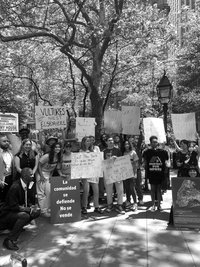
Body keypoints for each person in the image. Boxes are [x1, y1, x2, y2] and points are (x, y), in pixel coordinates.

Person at [0, 168, 40, 251]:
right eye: (31, 174)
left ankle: (16, 227)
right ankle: (9, 240)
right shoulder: (15, 187)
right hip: (7, 214)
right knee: (24, 216)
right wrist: (28, 209)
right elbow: (13, 206)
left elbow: (29, 199)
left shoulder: (29, 183)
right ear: (25, 176)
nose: (33, 176)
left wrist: (33, 206)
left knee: (37, 212)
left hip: (17, 211)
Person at [143, 136, 169, 211]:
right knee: (152, 189)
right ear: (150, 143)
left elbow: (167, 159)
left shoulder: (162, 151)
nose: (155, 143)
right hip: (151, 174)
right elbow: (144, 160)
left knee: (159, 189)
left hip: (160, 174)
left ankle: (159, 205)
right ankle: (153, 205)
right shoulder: (147, 152)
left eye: (156, 142)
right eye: (153, 142)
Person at [37, 142, 62, 217]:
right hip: (40, 173)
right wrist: (41, 176)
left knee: (49, 192)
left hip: (48, 174)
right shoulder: (47, 156)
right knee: (41, 193)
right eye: (56, 147)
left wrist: (50, 176)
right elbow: (39, 165)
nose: (57, 148)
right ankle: (43, 211)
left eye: (59, 147)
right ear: (53, 148)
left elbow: (53, 168)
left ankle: (48, 208)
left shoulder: (58, 156)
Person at [80, 136, 103, 214]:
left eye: (90, 141)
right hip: (86, 174)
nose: (89, 142)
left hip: (94, 173)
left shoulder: (94, 150)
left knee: (96, 191)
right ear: (83, 142)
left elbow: (99, 159)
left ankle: (96, 207)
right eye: (87, 141)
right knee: (86, 191)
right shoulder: (81, 151)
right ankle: (84, 207)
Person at [103, 135, 125, 214]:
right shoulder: (104, 151)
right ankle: (110, 205)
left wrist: (117, 158)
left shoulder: (118, 150)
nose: (111, 141)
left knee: (120, 189)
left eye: (112, 140)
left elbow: (122, 161)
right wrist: (107, 160)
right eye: (109, 140)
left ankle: (119, 205)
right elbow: (102, 162)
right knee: (109, 190)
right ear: (106, 142)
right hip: (108, 173)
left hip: (117, 172)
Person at [122, 141, 138, 210]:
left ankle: (135, 203)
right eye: (125, 144)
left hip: (131, 173)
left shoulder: (133, 152)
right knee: (127, 188)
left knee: (132, 188)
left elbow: (136, 164)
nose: (127, 145)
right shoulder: (123, 153)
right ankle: (128, 201)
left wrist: (135, 173)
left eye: (128, 144)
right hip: (125, 173)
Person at [0, 134, 14, 203]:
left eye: (7, 141)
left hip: (10, 177)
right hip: (1, 179)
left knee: (8, 198)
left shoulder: (10, 152)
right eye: (4, 141)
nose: (7, 142)